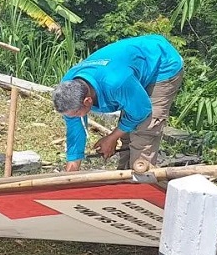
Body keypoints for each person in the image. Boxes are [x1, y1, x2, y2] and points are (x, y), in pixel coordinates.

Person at [52, 34, 184, 173]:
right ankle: (124, 181)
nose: (73, 117)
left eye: (76, 114)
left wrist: (112, 137)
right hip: (129, 66)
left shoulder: (115, 82)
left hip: (161, 63)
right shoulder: (68, 89)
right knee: (127, 134)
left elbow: (141, 110)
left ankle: (141, 184)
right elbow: (75, 131)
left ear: (87, 101)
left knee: (144, 131)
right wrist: (71, 171)